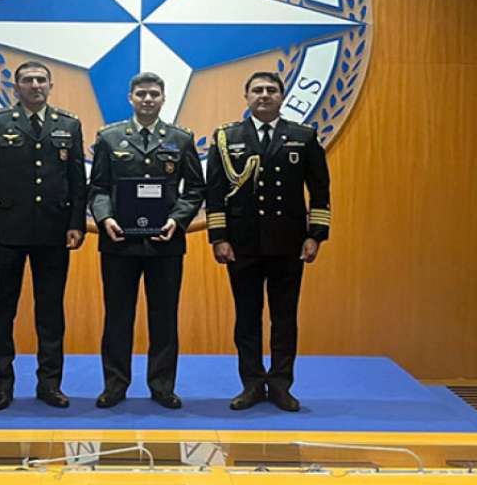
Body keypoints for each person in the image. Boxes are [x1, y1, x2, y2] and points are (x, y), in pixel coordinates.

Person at [205, 71, 331, 412]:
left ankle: (280, 384)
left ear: (282, 96)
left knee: (284, 318)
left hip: (288, 243)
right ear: (246, 97)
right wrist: (219, 237)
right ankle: (251, 383)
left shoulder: (303, 136)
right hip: (242, 244)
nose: (264, 95)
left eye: (271, 90)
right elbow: (215, 192)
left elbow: (320, 189)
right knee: (247, 318)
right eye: (257, 90)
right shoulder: (227, 137)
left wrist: (315, 235)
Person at [0, 60, 86, 411]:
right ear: (16, 87)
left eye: (41, 80)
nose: (35, 86)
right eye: (28, 80)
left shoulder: (68, 125)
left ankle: (50, 385)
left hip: (53, 232)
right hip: (5, 232)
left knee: (50, 314)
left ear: (50, 85)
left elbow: (77, 181)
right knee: (0, 312)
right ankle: (1, 386)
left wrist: (76, 223)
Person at [89, 72, 204, 409]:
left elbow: (195, 189)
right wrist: (105, 218)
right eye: (141, 94)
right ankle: (115, 385)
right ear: (131, 98)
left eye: (154, 94)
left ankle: (162, 386)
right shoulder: (109, 137)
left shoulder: (181, 139)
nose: (148, 99)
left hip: (165, 242)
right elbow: (97, 188)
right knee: (117, 317)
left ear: (164, 98)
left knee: (164, 317)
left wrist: (177, 220)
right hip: (119, 241)